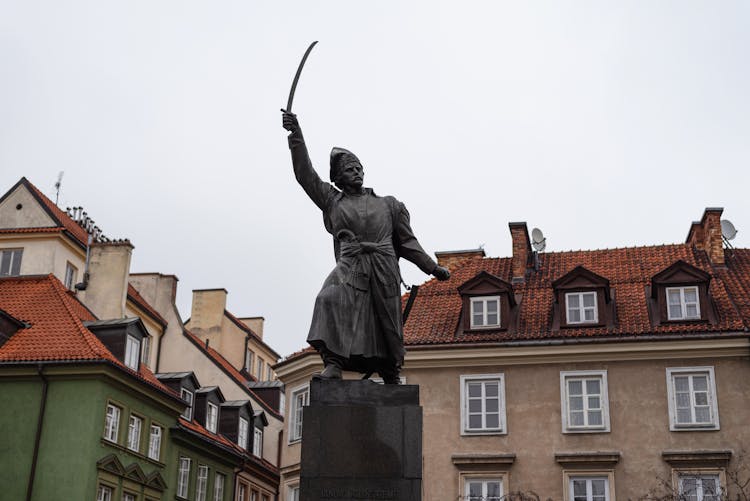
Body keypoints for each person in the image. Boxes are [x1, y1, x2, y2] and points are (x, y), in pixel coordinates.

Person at [282, 111, 450, 384]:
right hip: (350, 262)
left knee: (386, 320)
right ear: (338, 177)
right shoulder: (332, 200)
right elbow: (305, 175)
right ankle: (334, 363)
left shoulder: (389, 205)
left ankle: (390, 370)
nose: (357, 172)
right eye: (350, 169)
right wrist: (296, 136)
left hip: (383, 264)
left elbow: (408, 242)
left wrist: (432, 266)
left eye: (359, 167)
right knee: (329, 298)